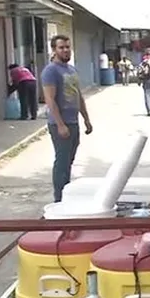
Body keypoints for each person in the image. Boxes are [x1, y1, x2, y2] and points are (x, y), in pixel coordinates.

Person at [42, 34, 93, 203]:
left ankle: (66, 193)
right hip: (60, 124)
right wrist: (60, 124)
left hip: (73, 122)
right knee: (62, 162)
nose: (65, 50)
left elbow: (78, 96)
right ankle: (59, 199)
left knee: (69, 162)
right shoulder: (51, 71)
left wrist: (86, 119)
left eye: (67, 47)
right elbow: (50, 99)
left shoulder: (72, 70)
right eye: (61, 47)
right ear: (54, 50)